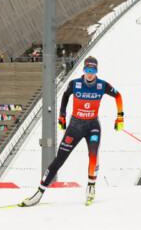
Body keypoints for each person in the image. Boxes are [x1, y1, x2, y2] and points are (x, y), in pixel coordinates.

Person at [20, 55, 124, 206]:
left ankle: (90, 187)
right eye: (87, 69)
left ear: (96, 71)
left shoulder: (102, 85)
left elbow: (118, 96)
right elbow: (65, 96)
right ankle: (39, 192)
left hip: (92, 126)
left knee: (93, 155)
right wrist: (62, 116)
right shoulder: (75, 84)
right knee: (59, 159)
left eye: (93, 70)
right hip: (75, 126)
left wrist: (120, 117)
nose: (90, 73)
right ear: (83, 69)